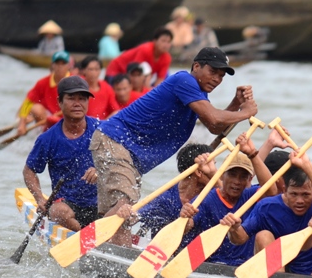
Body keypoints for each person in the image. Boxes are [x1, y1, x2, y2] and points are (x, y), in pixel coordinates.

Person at [90, 47, 257, 244]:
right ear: (196, 66)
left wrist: (235, 103)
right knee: (125, 205)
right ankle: (89, 248)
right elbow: (214, 117)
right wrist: (246, 112)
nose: (217, 79)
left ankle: (109, 261)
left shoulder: (199, 95)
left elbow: (214, 126)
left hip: (125, 151)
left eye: (221, 76)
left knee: (124, 214)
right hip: (116, 142)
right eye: (213, 72)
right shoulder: (184, 80)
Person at [178, 135, 285, 266]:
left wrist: (252, 154)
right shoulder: (207, 198)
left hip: (244, 266)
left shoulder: (250, 196)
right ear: (223, 175)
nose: (236, 182)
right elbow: (188, 225)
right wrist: (184, 217)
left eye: (242, 177)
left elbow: (271, 190)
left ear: (249, 180)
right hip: (214, 263)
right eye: (232, 175)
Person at [221, 162, 312, 276]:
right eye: (294, 194)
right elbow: (240, 239)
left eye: (305, 195)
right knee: (263, 235)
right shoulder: (267, 207)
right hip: (277, 269)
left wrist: (306, 165)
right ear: (284, 190)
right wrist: (234, 228)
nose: (299, 201)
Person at [22, 76, 99, 231]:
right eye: (71, 98)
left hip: (101, 203)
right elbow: (29, 171)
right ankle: (84, 237)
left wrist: (101, 169)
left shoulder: (103, 130)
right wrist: (39, 198)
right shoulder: (47, 139)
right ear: (60, 102)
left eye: (82, 99)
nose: (77, 104)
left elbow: (124, 161)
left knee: (123, 208)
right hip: (67, 207)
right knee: (58, 211)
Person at [137, 143, 216, 237]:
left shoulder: (213, 194)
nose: (216, 171)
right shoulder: (166, 199)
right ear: (199, 172)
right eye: (213, 166)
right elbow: (135, 218)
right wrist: (126, 213)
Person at [17, 50, 71, 135]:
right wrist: (22, 123)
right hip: (49, 119)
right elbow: (27, 103)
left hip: (70, 118)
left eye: (63, 63)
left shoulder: (76, 81)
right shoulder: (42, 83)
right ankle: (45, 134)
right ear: (52, 65)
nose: (60, 67)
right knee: (35, 108)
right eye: (57, 63)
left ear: (68, 65)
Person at [105, 27, 173, 86]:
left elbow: (160, 79)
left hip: (134, 77)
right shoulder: (145, 49)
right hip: (116, 71)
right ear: (154, 41)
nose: (166, 45)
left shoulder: (167, 58)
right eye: (163, 41)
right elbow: (134, 72)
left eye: (168, 42)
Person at [76, 55, 115, 120]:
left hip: (100, 126)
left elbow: (115, 110)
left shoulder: (107, 87)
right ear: (83, 71)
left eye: (96, 69)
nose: (94, 72)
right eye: (90, 69)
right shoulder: (77, 85)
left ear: (101, 71)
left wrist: (104, 123)